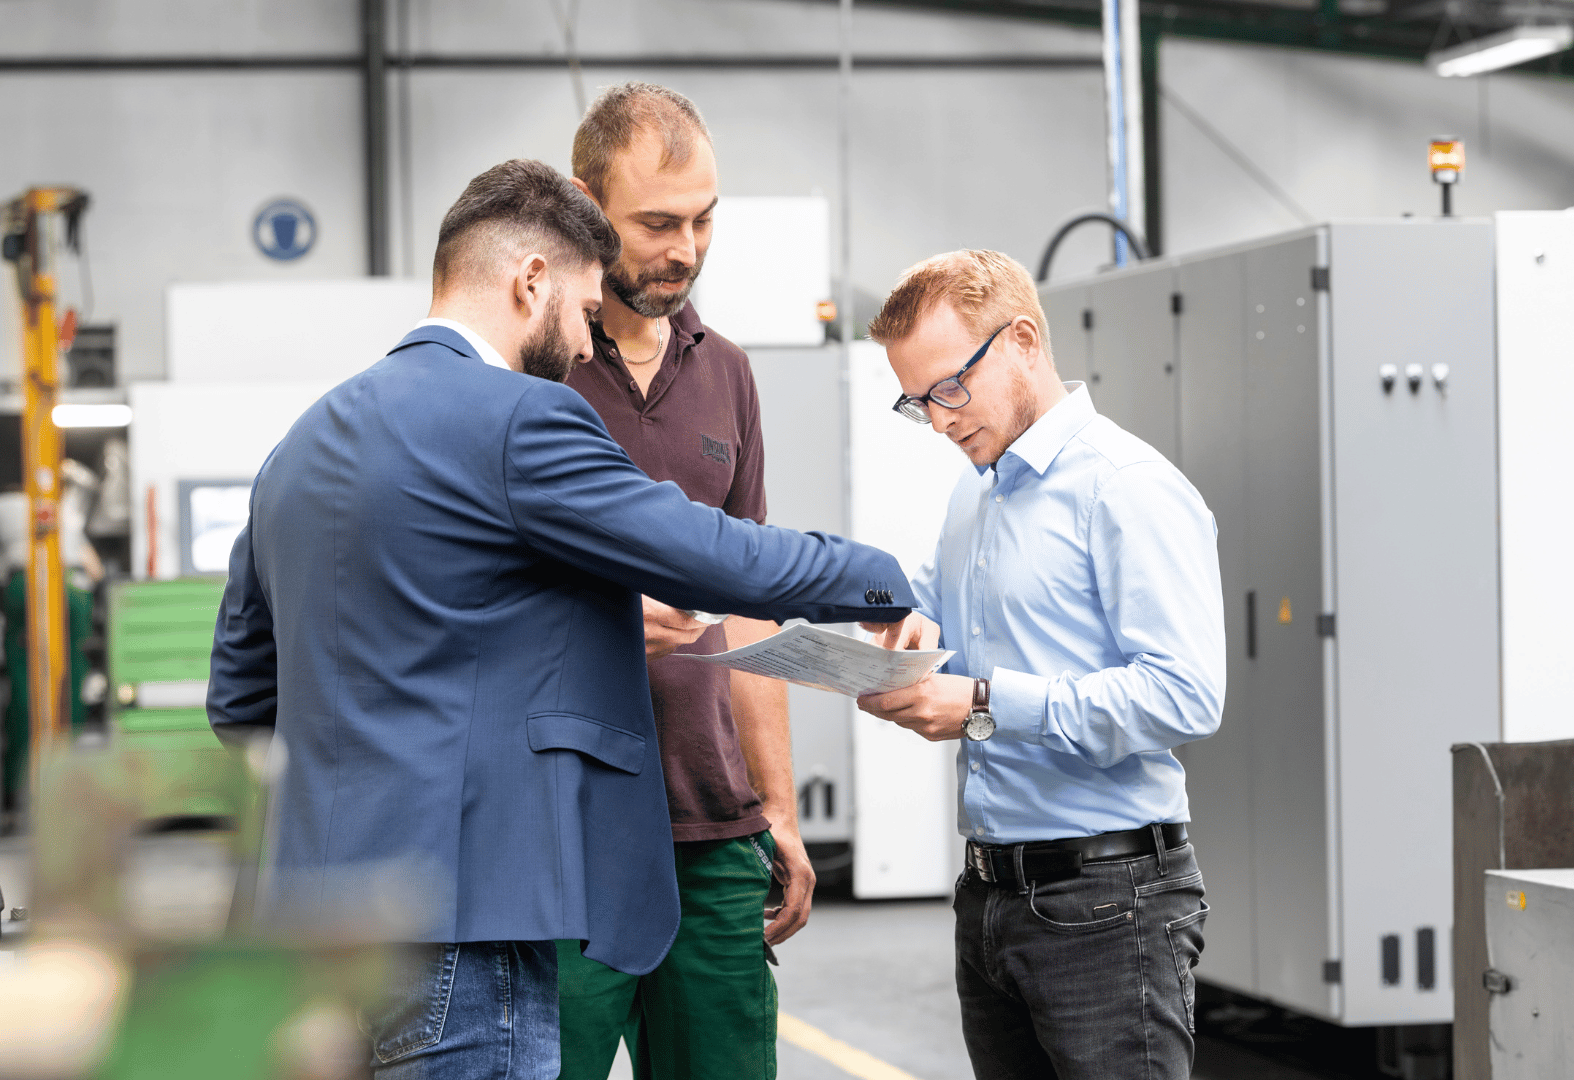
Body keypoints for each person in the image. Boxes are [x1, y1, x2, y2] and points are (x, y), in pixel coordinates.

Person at [206, 159, 911, 1080]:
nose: (584, 348)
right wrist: (883, 580)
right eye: (583, 313)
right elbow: (711, 550)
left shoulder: (296, 449)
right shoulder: (520, 418)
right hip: (464, 934)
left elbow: (241, 699)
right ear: (530, 281)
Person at [856, 250, 1225, 1080]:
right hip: (991, 897)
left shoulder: (1126, 489)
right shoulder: (977, 493)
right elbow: (939, 609)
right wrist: (907, 633)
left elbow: (1186, 694)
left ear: (1021, 340)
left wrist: (984, 702)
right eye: (918, 404)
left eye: (950, 387)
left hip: (1108, 900)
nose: (942, 420)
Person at [549, 82, 801, 1079]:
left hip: (714, 833)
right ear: (582, 206)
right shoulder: (530, 373)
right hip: (560, 837)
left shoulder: (726, 372)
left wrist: (777, 807)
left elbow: (750, 600)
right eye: (657, 223)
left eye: (703, 221)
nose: (685, 249)